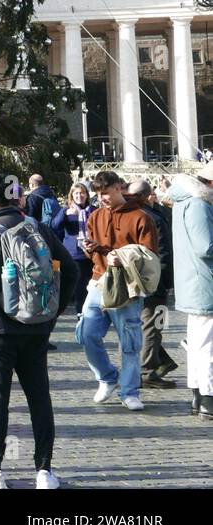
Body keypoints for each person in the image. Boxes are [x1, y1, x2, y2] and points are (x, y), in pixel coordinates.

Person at [0, 175, 78, 489]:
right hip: (36, 328)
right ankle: (45, 471)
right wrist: (52, 314)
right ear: (18, 199)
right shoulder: (38, 228)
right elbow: (71, 269)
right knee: (39, 397)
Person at [81, 171, 158, 411]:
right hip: (98, 281)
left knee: (130, 343)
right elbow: (94, 252)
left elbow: (150, 255)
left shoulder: (141, 217)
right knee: (86, 333)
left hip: (128, 286)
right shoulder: (94, 216)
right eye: (99, 194)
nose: (102, 198)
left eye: (106, 193)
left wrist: (123, 258)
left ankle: (130, 391)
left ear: (119, 188)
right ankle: (107, 377)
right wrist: (90, 249)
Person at [165, 172, 213, 419]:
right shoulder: (198, 204)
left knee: (198, 344)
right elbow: (205, 246)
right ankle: (207, 397)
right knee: (206, 346)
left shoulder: (186, 202)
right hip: (205, 283)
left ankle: (198, 394)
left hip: (195, 281)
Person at [128, 180, 180, 389]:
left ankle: (159, 362)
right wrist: (167, 282)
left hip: (133, 281)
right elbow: (163, 253)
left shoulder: (126, 215)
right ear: (149, 196)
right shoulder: (153, 218)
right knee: (154, 325)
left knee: (145, 325)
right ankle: (149, 371)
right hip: (154, 281)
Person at [61, 182, 95, 313]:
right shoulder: (66, 210)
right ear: (72, 195)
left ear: (86, 195)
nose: (79, 196)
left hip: (91, 251)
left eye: (82, 193)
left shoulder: (93, 210)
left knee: (90, 285)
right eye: (76, 193)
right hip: (75, 253)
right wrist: (65, 214)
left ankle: (90, 312)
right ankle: (81, 313)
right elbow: (54, 226)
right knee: (80, 286)